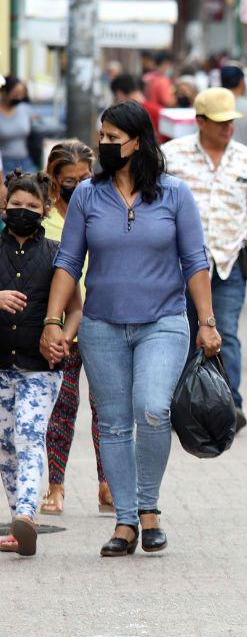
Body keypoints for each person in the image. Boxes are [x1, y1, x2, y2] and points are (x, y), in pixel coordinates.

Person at [45, 100, 219, 558]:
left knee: (154, 409)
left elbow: (195, 261)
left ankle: (149, 508)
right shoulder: (86, 195)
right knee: (115, 424)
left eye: (111, 138)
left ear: (137, 142)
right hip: (102, 326)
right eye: (100, 136)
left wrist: (206, 322)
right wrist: (52, 320)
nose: (102, 145)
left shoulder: (175, 193)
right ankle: (125, 521)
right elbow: (67, 260)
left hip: (163, 322)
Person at [163, 87, 247, 430]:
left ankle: (230, 404)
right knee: (182, 332)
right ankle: (183, 404)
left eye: (230, 121)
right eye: (219, 121)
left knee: (225, 331)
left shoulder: (246, 158)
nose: (227, 127)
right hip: (179, 266)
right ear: (199, 121)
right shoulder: (172, 156)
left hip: (229, 262)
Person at [0, 171, 81, 556]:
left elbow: (76, 306)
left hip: (41, 367)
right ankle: (19, 525)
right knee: (4, 446)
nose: (23, 211)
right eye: (16, 204)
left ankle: (28, 514)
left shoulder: (56, 252)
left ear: (46, 209)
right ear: (4, 205)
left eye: (32, 206)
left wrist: (66, 335)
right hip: (1, 364)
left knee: (29, 437)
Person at [39, 141, 111, 517]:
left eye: (86, 177)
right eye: (71, 180)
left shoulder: (103, 208)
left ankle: (107, 484)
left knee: (107, 410)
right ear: (54, 179)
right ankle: (55, 485)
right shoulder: (42, 217)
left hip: (101, 322)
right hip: (59, 329)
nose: (80, 185)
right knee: (61, 411)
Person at [0, 76, 36, 173]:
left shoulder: (25, 109)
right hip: (4, 162)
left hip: (25, 160)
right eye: (15, 93)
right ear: (4, 91)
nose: (19, 97)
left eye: (21, 94)